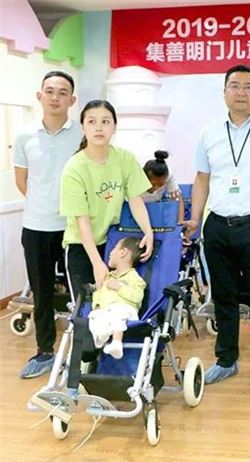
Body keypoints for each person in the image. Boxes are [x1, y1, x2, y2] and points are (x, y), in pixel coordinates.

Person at [183, 64, 250, 393]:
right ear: (224, 92)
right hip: (217, 226)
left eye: (248, 86)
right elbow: (202, 179)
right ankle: (226, 360)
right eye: (234, 86)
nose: (241, 92)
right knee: (223, 297)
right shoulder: (209, 132)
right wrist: (195, 219)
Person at [13, 71, 82, 379]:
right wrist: (44, 206)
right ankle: (44, 351)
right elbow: (22, 182)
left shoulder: (81, 134)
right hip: (36, 227)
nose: (55, 97)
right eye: (50, 91)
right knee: (41, 292)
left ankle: (84, 351)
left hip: (74, 227)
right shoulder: (24, 136)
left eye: (62, 92)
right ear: (39, 96)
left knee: (81, 291)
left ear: (72, 99)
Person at [60, 100, 153, 303]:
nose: (99, 127)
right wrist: (96, 262)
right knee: (86, 311)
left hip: (112, 243)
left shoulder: (125, 158)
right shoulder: (74, 167)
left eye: (105, 121)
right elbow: (82, 221)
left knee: (116, 305)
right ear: (83, 127)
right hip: (81, 246)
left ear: (114, 127)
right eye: (92, 121)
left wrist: (148, 232)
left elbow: (136, 200)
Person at [89, 236, 146, 359]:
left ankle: (116, 343)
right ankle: (99, 342)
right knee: (94, 316)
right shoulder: (108, 276)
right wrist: (97, 298)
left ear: (123, 252)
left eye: (114, 248)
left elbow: (137, 297)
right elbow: (99, 296)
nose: (110, 252)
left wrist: (120, 287)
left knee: (119, 311)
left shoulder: (134, 278)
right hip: (106, 311)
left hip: (126, 311)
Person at [142, 150, 185, 223]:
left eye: (161, 185)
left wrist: (180, 222)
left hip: (156, 211)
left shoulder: (169, 175)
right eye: (153, 185)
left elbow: (178, 200)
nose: (156, 188)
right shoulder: (137, 177)